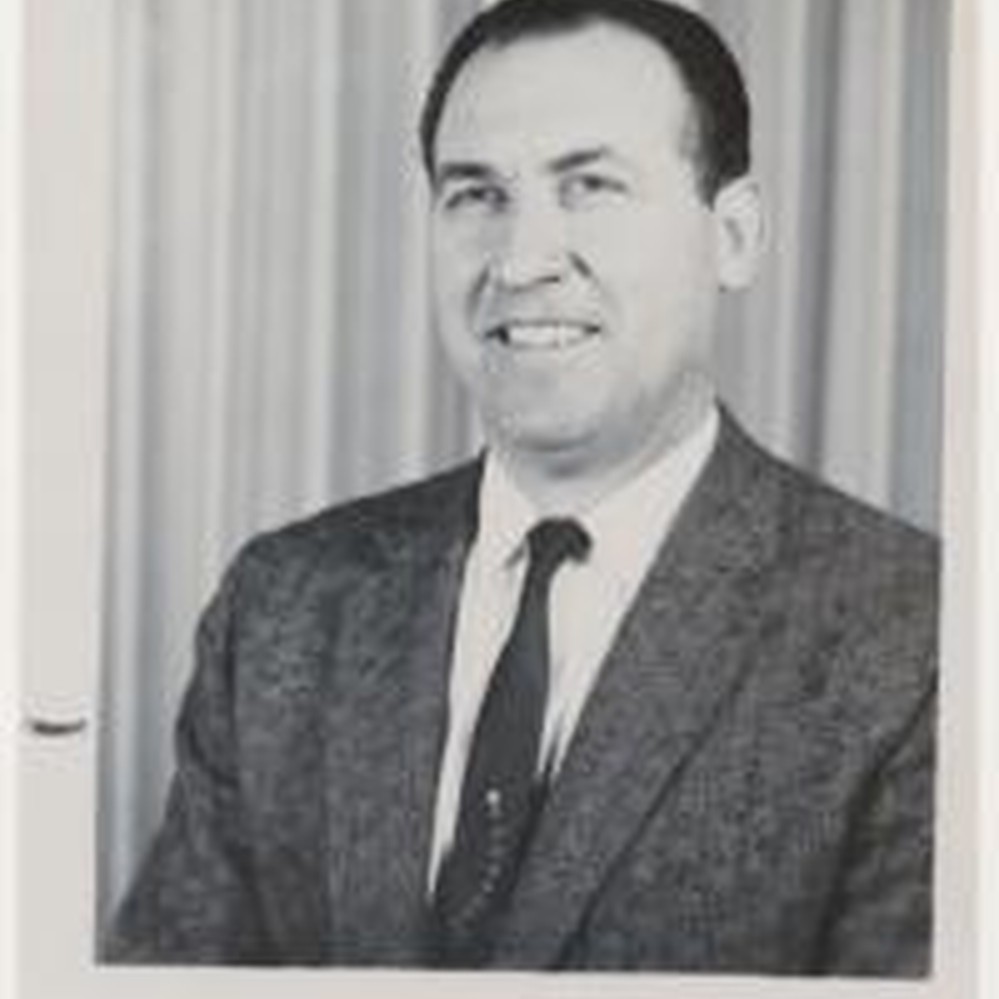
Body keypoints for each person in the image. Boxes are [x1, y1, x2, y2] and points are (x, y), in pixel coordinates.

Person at [104, 0, 938, 976]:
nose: (521, 260)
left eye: (590, 186)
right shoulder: (284, 606)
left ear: (734, 236)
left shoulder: (914, 636)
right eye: (477, 195)